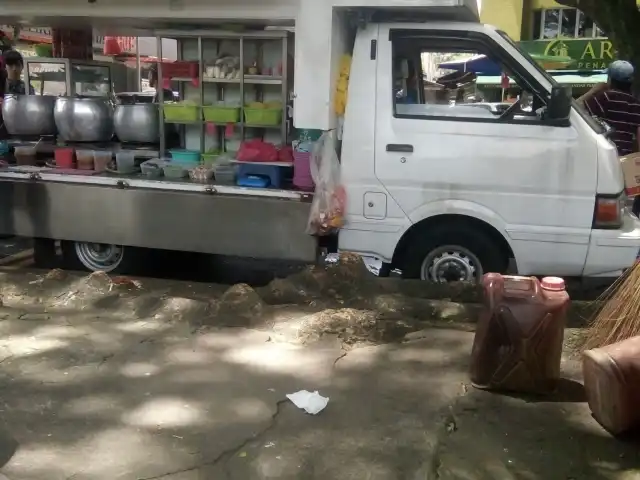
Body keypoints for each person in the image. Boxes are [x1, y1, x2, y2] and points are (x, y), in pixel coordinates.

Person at [578, 60, 640, 156]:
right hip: (625, 155)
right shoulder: (635, 104)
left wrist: (593, 90)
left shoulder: (605, 97)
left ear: (611, 79)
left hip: (606, 153)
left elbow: (576, 108)